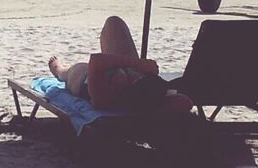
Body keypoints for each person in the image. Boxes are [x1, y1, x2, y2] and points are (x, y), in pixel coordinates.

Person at [48, 16, 190, 113]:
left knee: (69, 72)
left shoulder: (103, 96)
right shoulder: (148, 90)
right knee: (114, 22)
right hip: (142, 92)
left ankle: (59, 70)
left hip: (83, 79)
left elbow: (95, 61)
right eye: (137, 76)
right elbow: (186, 102)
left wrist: (139, 64)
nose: (133, 77)